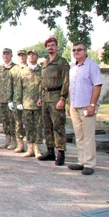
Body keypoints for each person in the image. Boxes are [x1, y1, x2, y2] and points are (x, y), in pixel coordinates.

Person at [67, 42, 103, 175]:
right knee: (79, 135)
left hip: (87, 106)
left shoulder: (92, 65)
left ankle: (89, 164)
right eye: (74, 50)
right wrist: (69, 104)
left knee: (88, 136)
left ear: (85, 51)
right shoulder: (73, 68)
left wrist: (92, 104)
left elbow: (97, 85)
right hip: (75, 106)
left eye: (79, 50)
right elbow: (71, 88)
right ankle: (81, 161)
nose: (76, 52)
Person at [38, 37, 69, 165]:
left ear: (57, 47)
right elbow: (42, 81)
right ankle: (50, 151)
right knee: (47, 126)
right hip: (45, 97)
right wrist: (40, 97)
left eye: (52, 45)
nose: (50, 47)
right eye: (48, 46)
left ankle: (60, 152)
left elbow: (66, 81)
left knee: (58, 125)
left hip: (56, 96)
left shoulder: (62, 62)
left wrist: (62, 98)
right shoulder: (44, 63)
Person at [14, 50, 43, 157]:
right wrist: (18, 101)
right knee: (28, 127)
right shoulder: (23, 71)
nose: (31, 56)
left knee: (38, 127)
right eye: (29, 55)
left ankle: (37, 149)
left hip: (38, 104)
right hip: (26, 104)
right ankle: (30, 148)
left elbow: (44, 87)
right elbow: (18, 88)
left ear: (37, 56)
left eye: (33, 54)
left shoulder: (42, 70)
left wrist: (42, 98)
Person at [0, 48, 19, 149]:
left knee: (12, 120)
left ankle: (14, 140)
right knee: (4, 120)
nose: (6, 56)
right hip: (1, 99)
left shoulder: (16, 68)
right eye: (4, 54)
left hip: (12, 99)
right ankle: (7, 139)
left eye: (8, 54)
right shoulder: (0, 69)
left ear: (11, 55)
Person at [13, 50, 28, 152]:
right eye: (19, 56)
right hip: (16, 100)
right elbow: (9, 85)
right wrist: (10, 100)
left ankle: (32, 146)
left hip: (29, 101)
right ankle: (20, 144)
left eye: (23, 55)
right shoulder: (14, 70)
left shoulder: (31, 68)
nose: (21, 57)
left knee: (30, 124)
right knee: (18, 124)